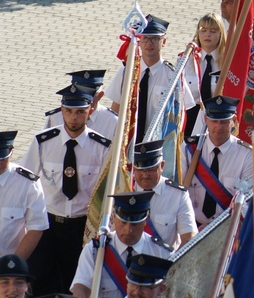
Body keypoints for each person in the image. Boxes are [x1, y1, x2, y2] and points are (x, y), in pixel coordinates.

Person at [22, 84, 111, 296]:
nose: (74, 118)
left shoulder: (102, 147)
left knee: (76, 282)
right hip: (48, 225)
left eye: (80, 111)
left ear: (90, 111)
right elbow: (26, 182)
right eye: (69, 111)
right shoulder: (44, 141)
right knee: (42, 282)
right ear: (61, 110)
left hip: (81, 227)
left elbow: (106, 192)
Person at [105, 15, 195, 144]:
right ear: (139, 41)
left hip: (157, 144)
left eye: (155, 39)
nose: (149, 43)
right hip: (127, 141)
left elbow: (183, 112)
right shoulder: (127, 71)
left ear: (163, 41)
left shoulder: (173, 76)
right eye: (145, 38)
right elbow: (115, 109)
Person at [71, 191, 173, 297]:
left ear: (145, 221)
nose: (128, 230)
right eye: (123, 223)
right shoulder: (95, 249)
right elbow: (81, 289)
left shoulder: (162, 254)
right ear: (114, 217)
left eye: (135, 224)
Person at [182, 96, 254, 226]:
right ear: (205, 120)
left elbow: (246, 201)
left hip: (227, 227)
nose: (219, 127)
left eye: (224, 122)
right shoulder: (188, 148)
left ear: (234, 121)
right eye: (214, 121)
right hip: (192, 227)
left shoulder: (247, 155)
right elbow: (178, 194)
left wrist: (215, 230)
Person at [132, 140, 197, 248]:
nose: (145, 175)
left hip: (164, 262)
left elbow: (189, 237)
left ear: (162, 166)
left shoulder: (178, 195)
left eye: (151, 169)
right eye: (141, 170)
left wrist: (173, 264)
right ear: (134, 169)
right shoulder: (124, 190)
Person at [0, 131, 48, 259]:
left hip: (7, 264)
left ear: (11, 154)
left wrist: (13, 266)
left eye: (2, 158)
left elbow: (36, 228)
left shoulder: (27, 184)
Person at [184, 12, 227, 137]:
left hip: (217, 119)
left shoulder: (227, 61)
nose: (207, 34)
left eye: (213, 31)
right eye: (203, 30)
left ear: (221, 34)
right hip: (190, 118)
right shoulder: (186, 59)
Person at [45, 70, 117, 139]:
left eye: (89, 94)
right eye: (80, 93)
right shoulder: (56, 117)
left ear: (100, 95)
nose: (85, 97)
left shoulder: (112, 122)